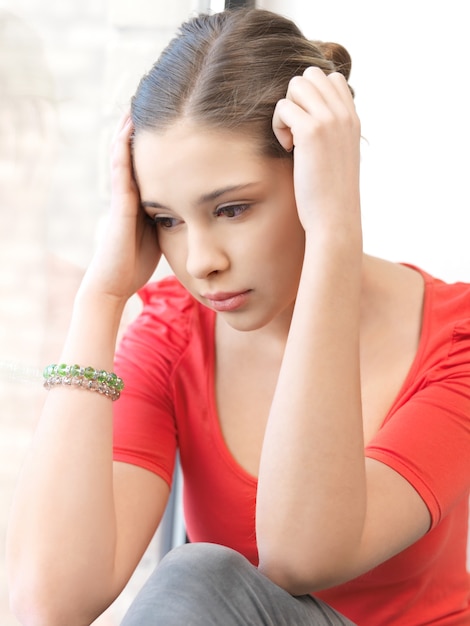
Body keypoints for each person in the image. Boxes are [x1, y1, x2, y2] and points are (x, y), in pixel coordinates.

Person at [6, 7, 470, 625]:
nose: (200, 262)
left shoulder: (455, 339)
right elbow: (50, 603)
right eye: (166, 219)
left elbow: (301, 557)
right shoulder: (175, 333)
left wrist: (334, 233)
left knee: (200, 573)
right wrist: (103, 295)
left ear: (313, 175)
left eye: (232, 209)